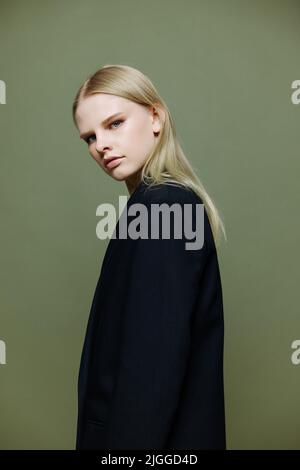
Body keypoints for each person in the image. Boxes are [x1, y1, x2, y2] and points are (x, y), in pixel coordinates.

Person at [72, 64, 227, 450]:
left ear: (155, 117)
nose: (101, 145)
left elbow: (150, 370)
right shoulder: (156, 205)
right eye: (89, 137)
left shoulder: (165, 207)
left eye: (115, 123)